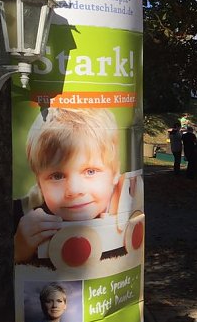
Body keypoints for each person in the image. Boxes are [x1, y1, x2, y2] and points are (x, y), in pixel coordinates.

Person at [14, 108, 121, 264]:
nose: (75, 190)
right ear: (39, 182)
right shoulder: (20, 218)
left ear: (115, 172)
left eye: (90, 171)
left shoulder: (123, 210)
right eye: (57, 176)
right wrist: (19, 249)